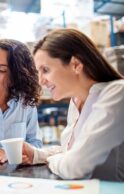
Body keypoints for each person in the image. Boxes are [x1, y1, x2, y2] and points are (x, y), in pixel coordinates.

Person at [22, 28, 124, 181]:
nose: (41, 81)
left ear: (76, 64)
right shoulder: (76, 101)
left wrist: (50, 160)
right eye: (39, 72)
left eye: (46, 70)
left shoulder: (117, 93)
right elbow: (71, 151)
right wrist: (37, 154)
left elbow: (73, 166)